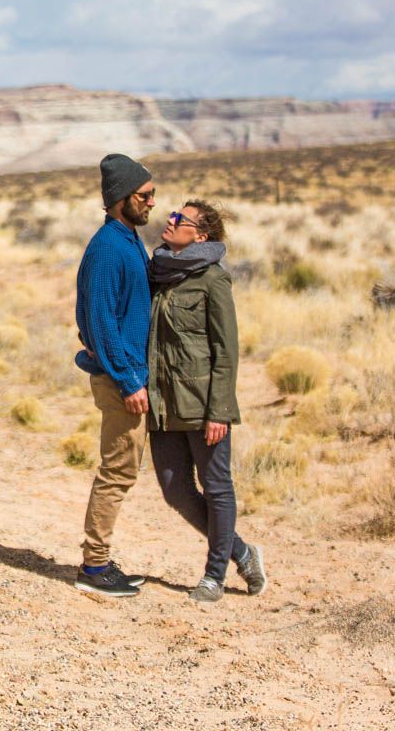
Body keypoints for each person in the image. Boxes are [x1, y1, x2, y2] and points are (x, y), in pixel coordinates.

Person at [146, 199, 268, 602]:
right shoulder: (159, 271)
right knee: (174, 490)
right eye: (174, 214)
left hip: (203, 404)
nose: (171, 219)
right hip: (164, 401)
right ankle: (242, 551)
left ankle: (215, 575)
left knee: (217, 488)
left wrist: (219, 411)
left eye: (181, 219)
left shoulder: (213, 280)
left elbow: (226, 350)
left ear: (201, 235)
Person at [72, 153, 155, 598]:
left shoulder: (126, 241)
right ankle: (95, 567)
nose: (152, 204)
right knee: (118, 471)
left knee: (120, 469)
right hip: (121, 379)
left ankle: (99, 559)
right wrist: (128, 381)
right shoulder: (108, 248)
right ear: (122, 198)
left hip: (127, 374)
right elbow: (101, 321)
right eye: (145, 196)